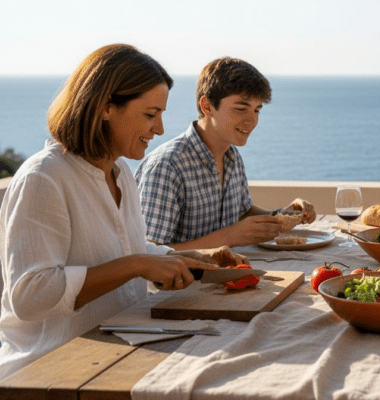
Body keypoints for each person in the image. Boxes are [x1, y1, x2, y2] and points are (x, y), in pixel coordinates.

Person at [0, 44, 247, 378]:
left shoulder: (120, 173)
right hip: (52, 370)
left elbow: (124, 250)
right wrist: (138, 265)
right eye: (150, 114)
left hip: (118, 352)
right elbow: (31, 296)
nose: (159, 129)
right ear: (106, 108)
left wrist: (188, 258)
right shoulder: (44, 178)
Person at [135, 57, 315, 250]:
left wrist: (283, 215)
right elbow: (150, 253)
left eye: (256, 111)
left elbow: (242, 213)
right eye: (241, 109)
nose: (251, 121)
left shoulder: (232, 156)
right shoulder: (166, 167)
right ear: (207, 106)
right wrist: (229, 237)